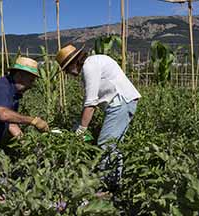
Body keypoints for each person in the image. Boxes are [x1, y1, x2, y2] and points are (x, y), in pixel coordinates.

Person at [55, 44, 141, 191]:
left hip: (121, 103)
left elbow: (90, 104)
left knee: (105, 144)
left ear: (74, 62)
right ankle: (114, 184)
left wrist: (81, 130)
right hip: (123, 103)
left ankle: (106, 186)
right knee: (113, 145)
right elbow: (89, 102)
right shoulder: (93, 64)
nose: (68, 73)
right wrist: (79, 124)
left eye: (67, 69)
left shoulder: (90, 66)